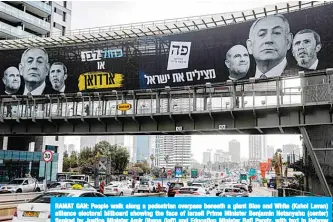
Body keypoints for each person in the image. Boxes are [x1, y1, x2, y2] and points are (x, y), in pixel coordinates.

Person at [246, 14, 293, 79]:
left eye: (276, 33)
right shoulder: (239, 85)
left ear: (288, 41)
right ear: (250, 46)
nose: (269, 40)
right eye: (262, 34)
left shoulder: (308, 76)